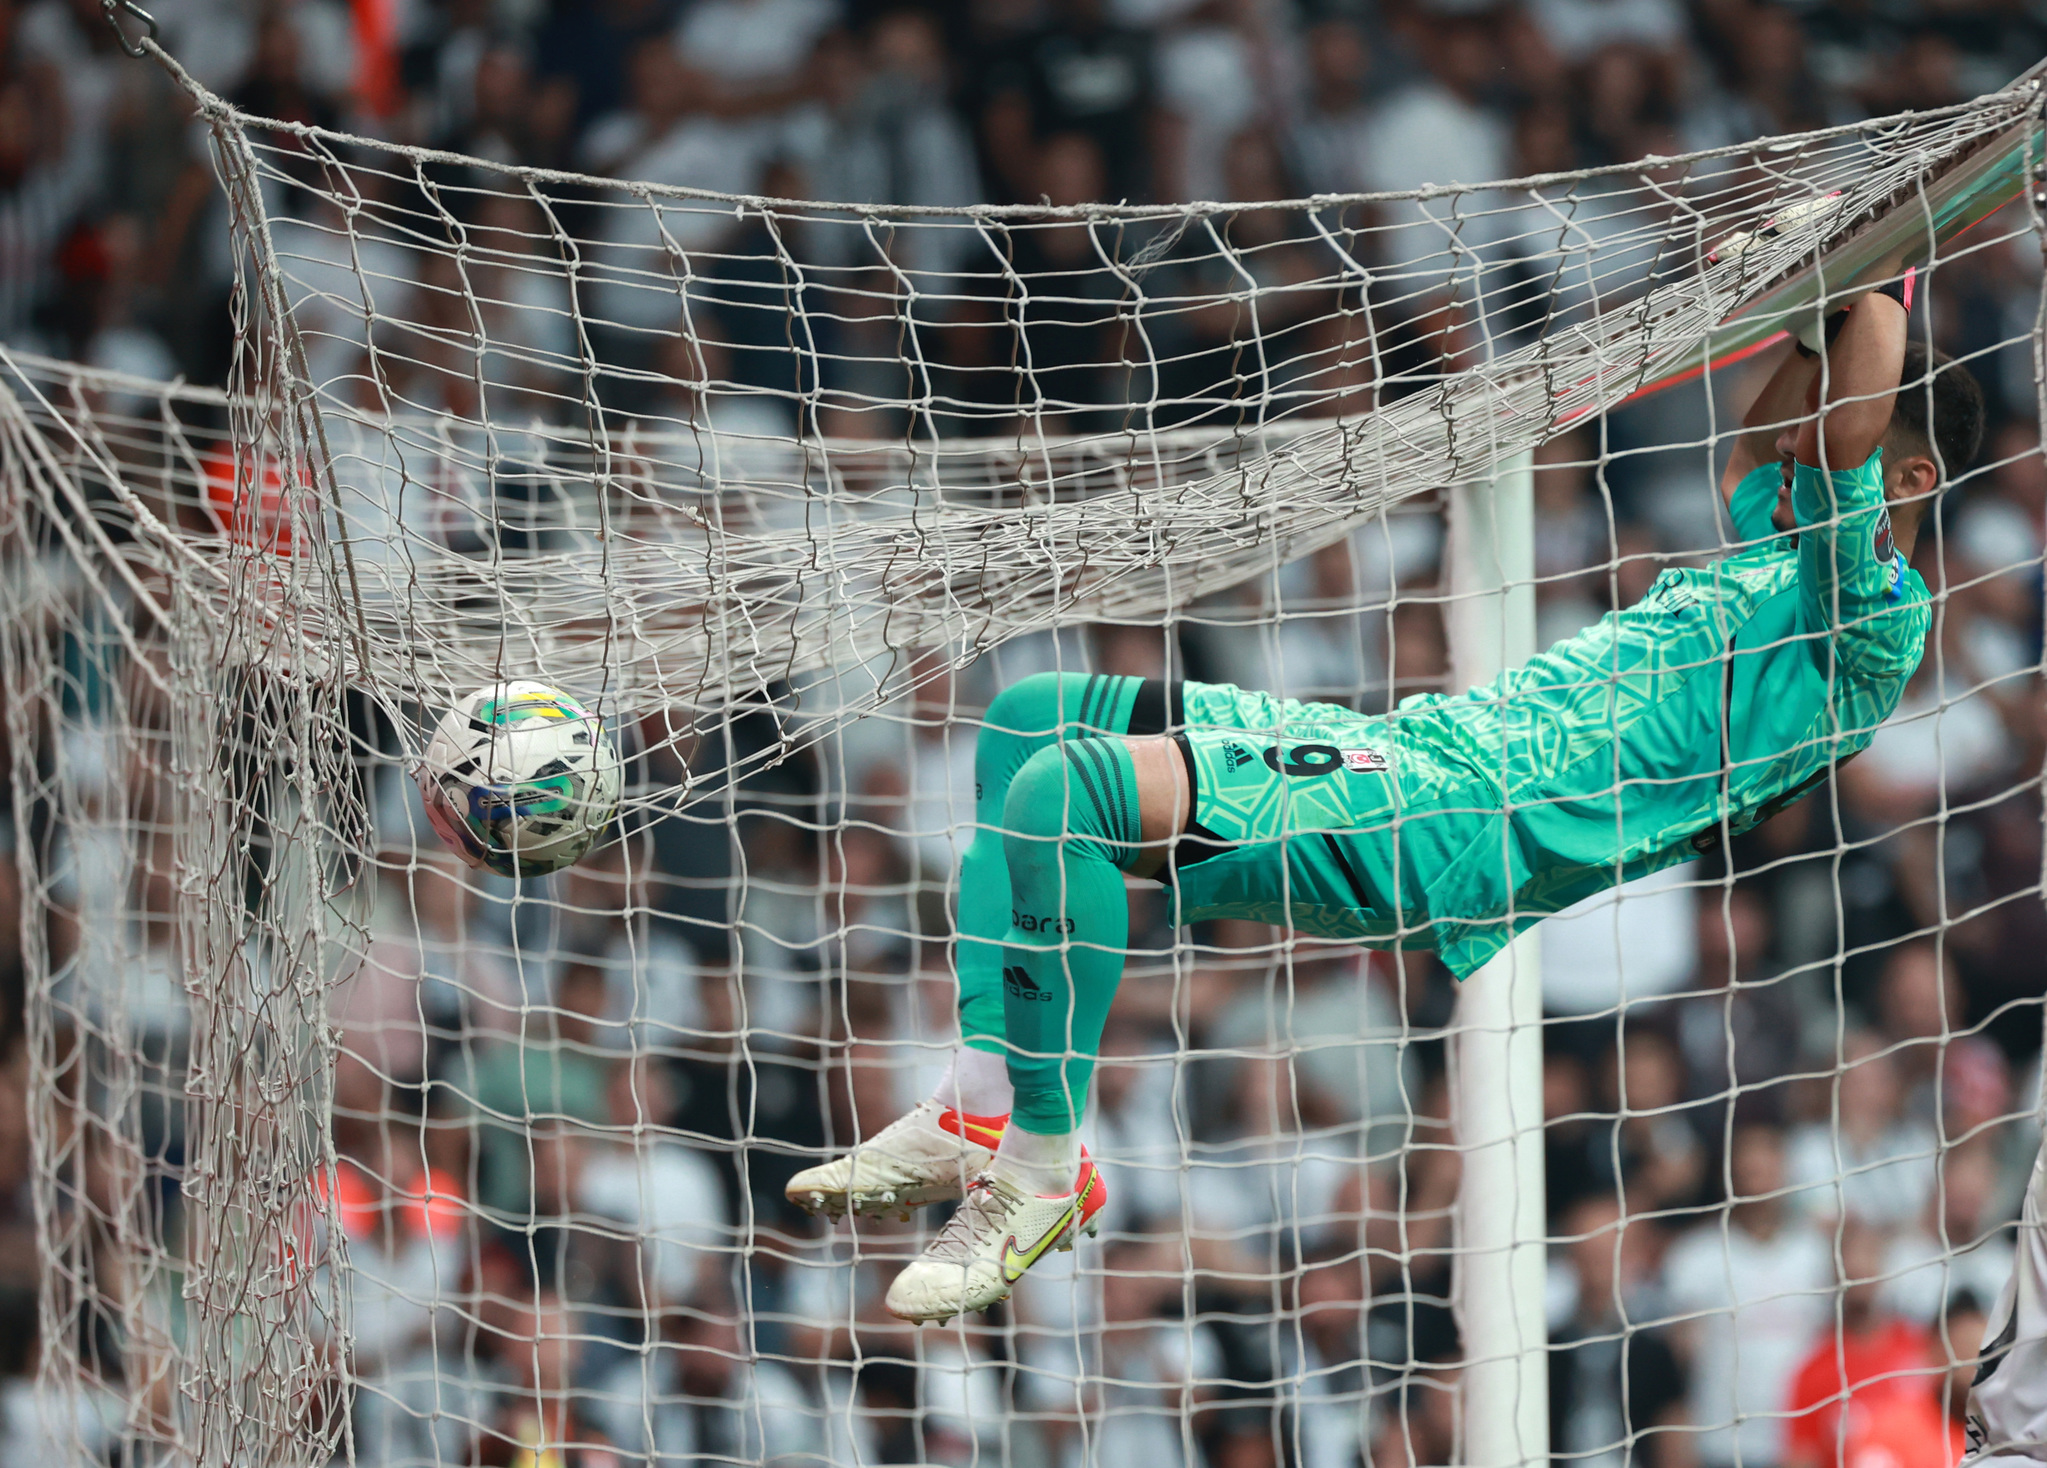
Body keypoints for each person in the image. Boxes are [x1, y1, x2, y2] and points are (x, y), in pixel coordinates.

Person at [787, 246, 1986, 1324]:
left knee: (1064, 796)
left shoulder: (1868, 627)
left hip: (1453, 825)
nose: (1795, 440)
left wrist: (1878, 270)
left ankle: (1042, 1162)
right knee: (1024, 723)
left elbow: (1835, 422)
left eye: (1849, 431)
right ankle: (979, 1101)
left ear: (1912, 479)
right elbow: (1774, 426)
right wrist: (1824, 300)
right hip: (1427, 755)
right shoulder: (1777, 547)